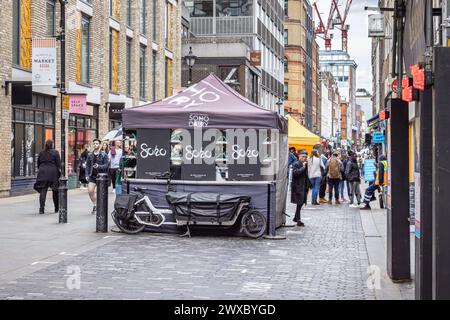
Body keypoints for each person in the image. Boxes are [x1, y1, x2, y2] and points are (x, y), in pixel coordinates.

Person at [33, 140, 61, 214]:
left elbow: (38, 164)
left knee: (43, 191)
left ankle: (41, 209)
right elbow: (59, 164)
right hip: (53, 173)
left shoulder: (41, 153)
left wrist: (42, 169)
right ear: (52, 145)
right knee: (55, 191)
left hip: (43, 172)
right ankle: (56, 208)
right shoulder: (55, 152)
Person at [85, 138, 110, 215]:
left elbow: (107, 165)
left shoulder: (104, 154)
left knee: (100, 193)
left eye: (96, 143)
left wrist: (99, 166)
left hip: (101, 177)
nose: (95, 145)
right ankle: (95, 204)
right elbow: (87, 165)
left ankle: (100, 206)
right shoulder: (90, 155)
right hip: (92, 176)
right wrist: (87, 174)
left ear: (99, 145)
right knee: (90, 191)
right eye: (94, 143)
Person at [291, 151, 309, 227]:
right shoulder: (296, 164)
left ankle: (296, 218)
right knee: (299, 203)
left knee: (300, 204)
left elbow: (305, 175)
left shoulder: (304, 164)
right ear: (299, 156)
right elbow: (295, 173)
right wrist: (303, 167)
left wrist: (308, 185)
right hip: (298, 187)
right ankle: (298, 220)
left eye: (305, 157)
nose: (304, 158)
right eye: (303, 156)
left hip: (303, 186)